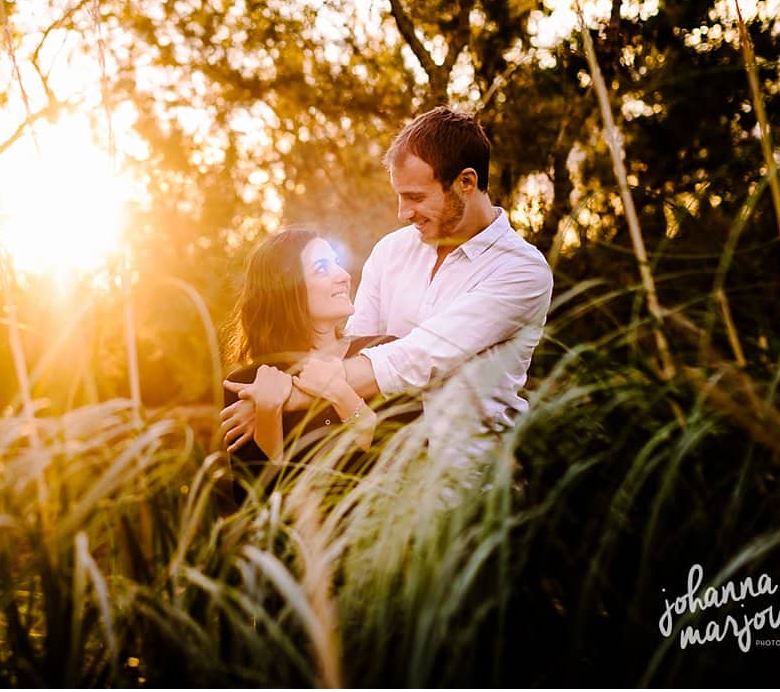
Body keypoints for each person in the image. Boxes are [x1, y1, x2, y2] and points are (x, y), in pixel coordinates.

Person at [222, 106, 554, 459]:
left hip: (473, 491)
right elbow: (354, 349)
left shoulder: (520, 270)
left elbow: (417, 356)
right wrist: (269, 409)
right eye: (399, 195)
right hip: (385, 480)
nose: (402, 213)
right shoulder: (392, 251)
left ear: (466, 183)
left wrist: (282, 397)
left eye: (415, 197)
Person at [222, 227, 393, 505]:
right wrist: (268, 412)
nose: (344, 276)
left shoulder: (381, 354)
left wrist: (341, 393)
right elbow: (256, 505)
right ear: (286, 289)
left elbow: (401, 474)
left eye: (337, 263)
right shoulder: (247, 383)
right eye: (322, 269)